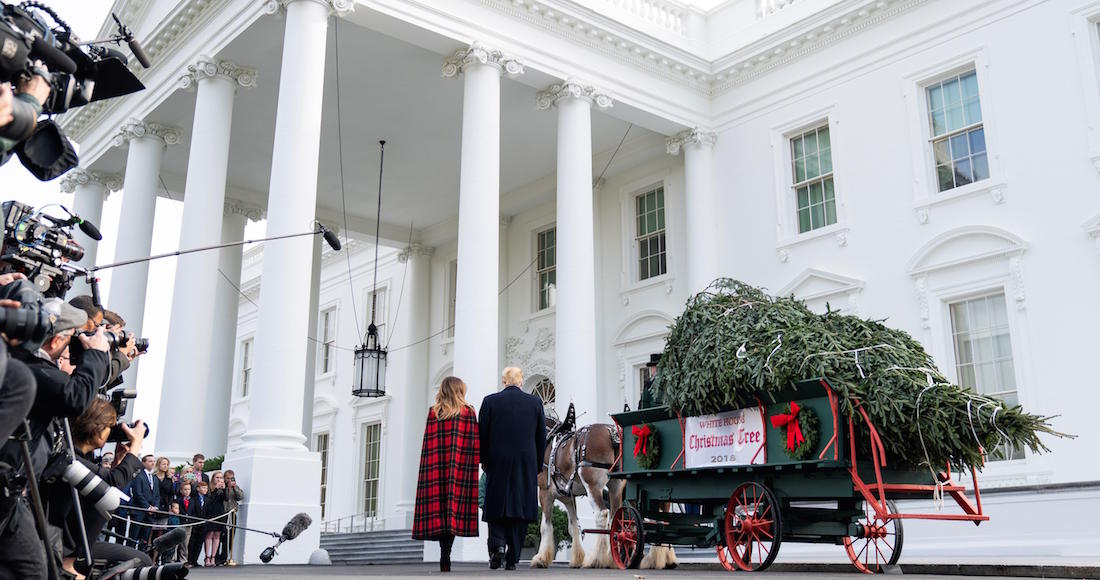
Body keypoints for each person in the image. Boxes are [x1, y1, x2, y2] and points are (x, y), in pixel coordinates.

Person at [64, 397, 149, 576]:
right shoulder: (70, 459)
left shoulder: (81, 457)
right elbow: (111, 484)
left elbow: (106, 481)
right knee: (141, 563)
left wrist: (118, 462)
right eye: (110, 426)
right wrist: (136, 446)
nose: (111, 432)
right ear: (97, 429)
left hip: (78, 543)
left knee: (143, 561)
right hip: (66, 547)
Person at [478, 367, 546, 570]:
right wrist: (537, 465)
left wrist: (484, 461)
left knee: (497, 506)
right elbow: (541, 436)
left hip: (497, 461)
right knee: (520, 508)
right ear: (521, 382)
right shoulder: (535, 402)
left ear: (503, 381)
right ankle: (512, 557)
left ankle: (498, 545)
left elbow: (482, 435)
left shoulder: (490, 401)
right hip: (526, 463)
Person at [413, 376, 481, 572]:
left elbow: (428, 444)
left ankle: (444, 552)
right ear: (459, 390)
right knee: (452, 511)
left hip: (436, 468)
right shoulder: (468, 412)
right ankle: (446, 552)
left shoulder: (433, 412)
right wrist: (475, 464)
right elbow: (474, 442)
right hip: (459, 469)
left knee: (440, 510)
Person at [127, 454, 161, 547]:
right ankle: (128, 554)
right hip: (139, 511)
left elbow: (157, 495)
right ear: (143, 463)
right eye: (150, 461)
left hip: (151, 514)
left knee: (145, 539)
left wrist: (155, 507)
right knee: (133, 537)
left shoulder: (155, 478)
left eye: (153, 461)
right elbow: (137, 493)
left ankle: (141, 554)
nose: (152, 463)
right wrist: (147, 507)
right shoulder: (138, 476)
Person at [217, 469, 244, 565]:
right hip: (223, 513)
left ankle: (224, 557)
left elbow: (240, 497)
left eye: (231, 478)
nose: (229, 480)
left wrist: (234, 487)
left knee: (230, 537)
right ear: (224, 478)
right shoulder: (222, 487)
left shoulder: (235, 487)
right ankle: (216, 557)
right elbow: (225, 497)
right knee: (221, 536)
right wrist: (227, 488)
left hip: (232, 513)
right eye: (227, 478)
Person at [203, 472, 228, 567]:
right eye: (217, 477)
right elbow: (210, 501)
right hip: (210, 514)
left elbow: (226, 499)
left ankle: (213, 557)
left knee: (217, 535)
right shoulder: (209, 489)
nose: (219, 479)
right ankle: (207, 557)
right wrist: (216, 489)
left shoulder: (222, 489)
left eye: (221, 477)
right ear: (213, 478)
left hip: (220, 514)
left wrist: (224, 489)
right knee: (209, 535)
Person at [186, 480, 210, 567]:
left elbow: (208, 511)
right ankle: (189, 560)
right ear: (198, 489)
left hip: (203, 524)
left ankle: (195, 560)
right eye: (203, 488)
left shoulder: (207, 499)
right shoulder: (193, 499)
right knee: (192, 541)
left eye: (206, 488)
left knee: (199, 542)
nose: (205, 490)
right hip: (195, 523)